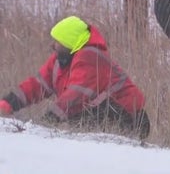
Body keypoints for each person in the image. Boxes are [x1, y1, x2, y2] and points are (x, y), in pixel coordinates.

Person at [0, 16, 150, 139]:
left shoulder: (90, 56)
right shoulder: (60, 59)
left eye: (58, 41)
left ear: (69, 42)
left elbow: (76, 96)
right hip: (98, 116)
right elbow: (38, 85)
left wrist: (46, 122)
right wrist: (9, 102)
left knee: (80, 119)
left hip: (130, 120)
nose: (53, 45)